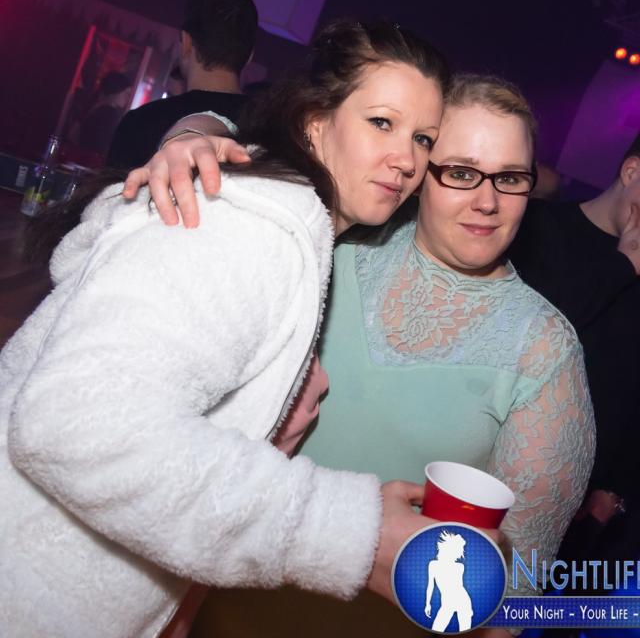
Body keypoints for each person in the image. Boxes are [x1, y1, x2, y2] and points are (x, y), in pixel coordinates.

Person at [0, 21, 453, 638]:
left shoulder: (293, 225)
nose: (407, 159)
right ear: (315, 122)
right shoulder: (250, 228)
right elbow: (75, 424)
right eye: (382, 123)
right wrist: (354, 534)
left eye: (423, 138)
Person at [128, 75, 595, 638]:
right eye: (461, 172)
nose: (487, 201)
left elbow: (514, 596)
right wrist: (190, 132)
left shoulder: (543, 348)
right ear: (418, 173)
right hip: (211, 605)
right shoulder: (330, 244)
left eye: (511, 178)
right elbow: (266, 135)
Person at [508, 135, 640, 604]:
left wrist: (614, 488)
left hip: (589, 505)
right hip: (512, 478)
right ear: (632, 172)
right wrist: (623, 265)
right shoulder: (540, 227)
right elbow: (532, 337)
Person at [106, 0, 257, 170]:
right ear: (249, 57)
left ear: (186, 43)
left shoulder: (139, 123)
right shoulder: (266, 126)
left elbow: (112, 187)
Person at [74, 71, 132, 158]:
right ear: (115, 90)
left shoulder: (96, 107)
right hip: (91, 161)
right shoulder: (110, 114)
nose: (128, 98)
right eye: (126, 93)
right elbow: (102, 147)